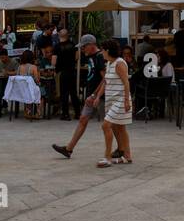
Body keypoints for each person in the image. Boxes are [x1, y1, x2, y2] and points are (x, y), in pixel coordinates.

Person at [51, 35, 105, 159]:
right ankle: (69, 149)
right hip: (91, 95)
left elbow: (105, 78)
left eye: (84, 47)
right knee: (83, 119)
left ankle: (119, 149)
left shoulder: (99, 57)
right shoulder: (91, 57)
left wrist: (95, 95)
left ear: (91, 45)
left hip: (99, 96)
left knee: (108, 125)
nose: (82, 50)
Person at [96, 39, 133, 167]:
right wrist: (97, 96)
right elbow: (106, 82)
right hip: (111, 100)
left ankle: (107, 157)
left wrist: (126, 100)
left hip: (120, 100)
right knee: (120, 127)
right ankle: (127, 156)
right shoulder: (109, 63)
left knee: (106, 126)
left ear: (107, 51)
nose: (101, 53)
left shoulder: (119, 63)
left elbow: (126, 82)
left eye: (102, 50)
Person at [54, 29, 79, 120]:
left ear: (60, 35)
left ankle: (65, 114)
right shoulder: (73, 45)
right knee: (73, 93)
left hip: (62, 72)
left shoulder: (57, 47)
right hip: (72, 71)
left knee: (64, 93)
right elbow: (77, 57)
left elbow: (54, 61)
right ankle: (77, 113)